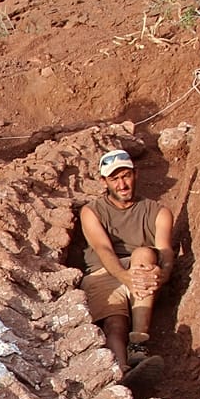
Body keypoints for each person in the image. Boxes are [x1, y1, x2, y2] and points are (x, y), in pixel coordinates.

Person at [79, 149, 175, 383]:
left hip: (143, 271)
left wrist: (162, 274)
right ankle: (123, 373)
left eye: (126, 176)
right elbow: (103, 249)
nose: (122, 184)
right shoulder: (91, 211)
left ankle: (138, 343)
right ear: (104, 181)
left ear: (135, 174)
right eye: (115, 179)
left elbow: (165, 250)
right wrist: (125, 277)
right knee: (115, 324)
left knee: (143, 253)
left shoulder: (158, 212)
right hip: (104, 272)